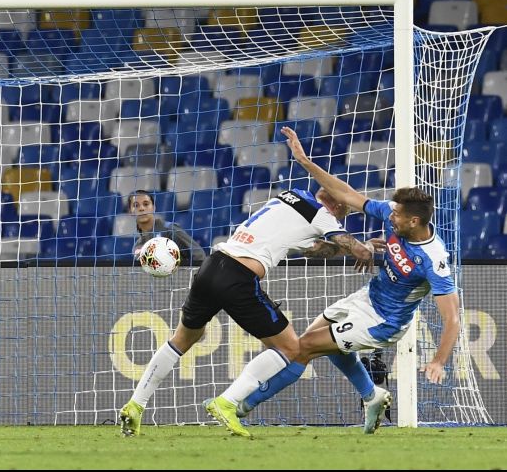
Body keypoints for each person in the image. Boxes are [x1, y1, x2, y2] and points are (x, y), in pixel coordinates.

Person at [234, 127, 461, 435]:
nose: (390, 218)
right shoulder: (395, 214)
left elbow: (453, 320)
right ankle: (372, 395)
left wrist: (438, 362)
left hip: (385, 320)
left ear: (415, 221)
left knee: (304, 347)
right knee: (317, 345)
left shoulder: (434, 259)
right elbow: (346, 195)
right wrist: (305, 162)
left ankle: (242, 407)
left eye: (397, 217)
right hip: (366, 298)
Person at [119, 172, 379, 437]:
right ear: (335, 204)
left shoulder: (290, 196)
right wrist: (366, 246)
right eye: (343, 212)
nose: (340, 219)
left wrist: (346, 246)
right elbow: (357, 250)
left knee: (183, 339)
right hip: (238, 277)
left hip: (212, 265)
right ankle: (227, 403)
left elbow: (315, 249)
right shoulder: (322, 215)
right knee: (291, 348)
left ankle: (136, 405)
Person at [129, 190, 206, 265]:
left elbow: (199, 254)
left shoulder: (169, 229)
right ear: (130, 212)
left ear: (154, 208)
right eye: (136, 205)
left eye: (146, 204)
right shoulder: (137, 247)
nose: (141, 208)